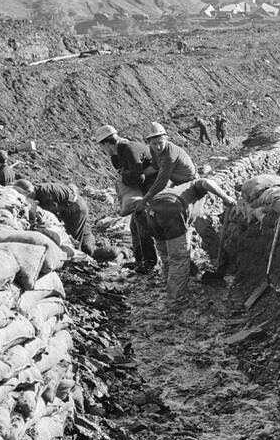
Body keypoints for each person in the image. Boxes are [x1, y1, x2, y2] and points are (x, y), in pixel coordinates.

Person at [144, 177, 236, 311]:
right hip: (171, 209)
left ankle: (169, 289)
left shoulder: (179, 191)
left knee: (166, 255)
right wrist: (226, 198)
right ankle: (176, 301)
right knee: (179, 259)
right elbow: (207, 182)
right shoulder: (195, 185)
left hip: (152, 211)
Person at [93, 124, 158, 274]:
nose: (102, 151)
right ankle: (140, 260)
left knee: (141, 222)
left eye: (102, 147)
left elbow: (138, 178)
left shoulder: (129, 149)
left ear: (106, 144)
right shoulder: (117, 155)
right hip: (141, 190)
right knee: (134, 225)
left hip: (153, 186)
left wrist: (124, 178)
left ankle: (150, 262)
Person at [16, 180, 96, 257]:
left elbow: (53, 209)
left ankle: (78, 256)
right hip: (70, 205)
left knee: (72, 237)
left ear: (29, 192)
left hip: (76, 208)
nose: (27, 198)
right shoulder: (38, 189)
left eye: (26, 195)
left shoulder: (43, 194)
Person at [141, 122, 198, 200]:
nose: (158, 147)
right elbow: (155, 166)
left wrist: (145, 199)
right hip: (172, 176)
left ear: (166, 140)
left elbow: (161, 182)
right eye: (154, 144)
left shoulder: (169, 155)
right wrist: (141, 174)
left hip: (186, 179)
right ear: (149, 142)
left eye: (161, 143)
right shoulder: (152, 149)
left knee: (162, 199)